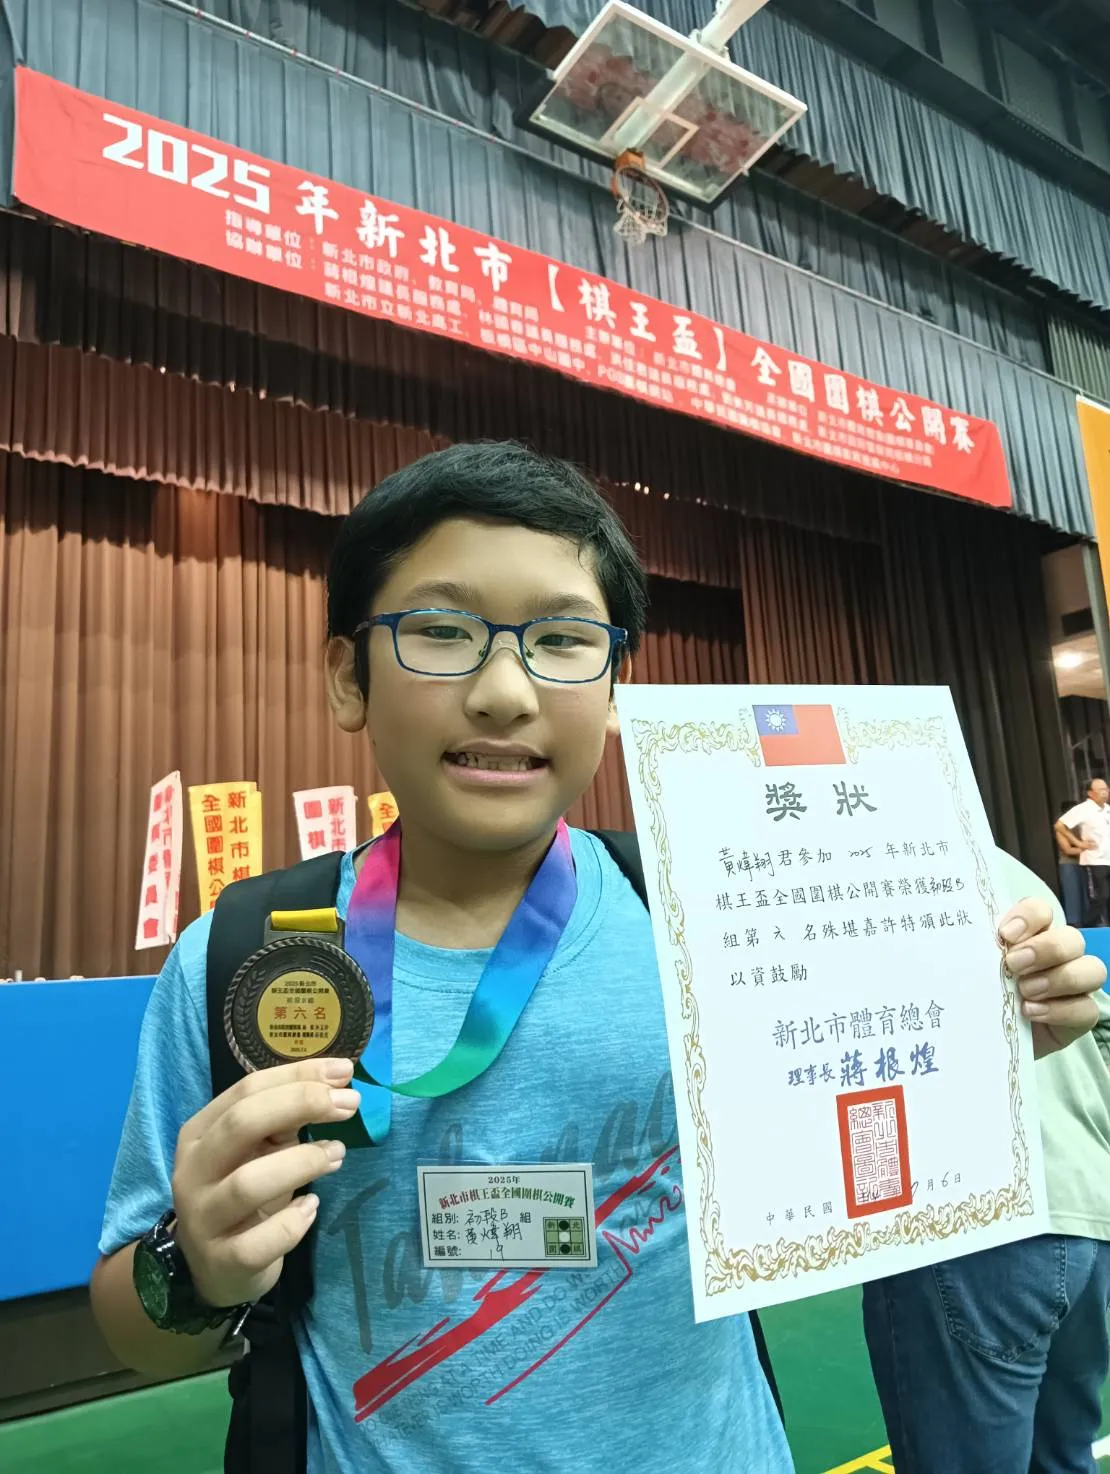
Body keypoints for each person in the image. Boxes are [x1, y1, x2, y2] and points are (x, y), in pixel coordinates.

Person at [89, 443, 1103, 1474]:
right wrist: (194, 1266)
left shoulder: (718, 917)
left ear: (614, 687)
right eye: (441, 631)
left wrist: (992, 1026)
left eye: (563, 640)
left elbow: (867, 1148)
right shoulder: (247, 956)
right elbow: (133, 1323)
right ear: (349, 678)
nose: (504, 691)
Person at [862, 854, 1110, 1474]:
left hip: (973, 1223)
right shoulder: (1003, 867)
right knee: (1065, 1458)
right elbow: (1098, 1023)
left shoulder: (852, 876)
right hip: (1087, 1207)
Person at [1056, 779, 1110, 927]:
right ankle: (1089, 926)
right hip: (1095, 860)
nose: (1105, 793)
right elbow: (1059, 826)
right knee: (1101, 896)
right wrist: (1079, 844)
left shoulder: (1107, 809)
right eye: (1100, 790)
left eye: (1106, 789)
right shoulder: (1084, 809)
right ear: (1090, 793)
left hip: (1107, 857)